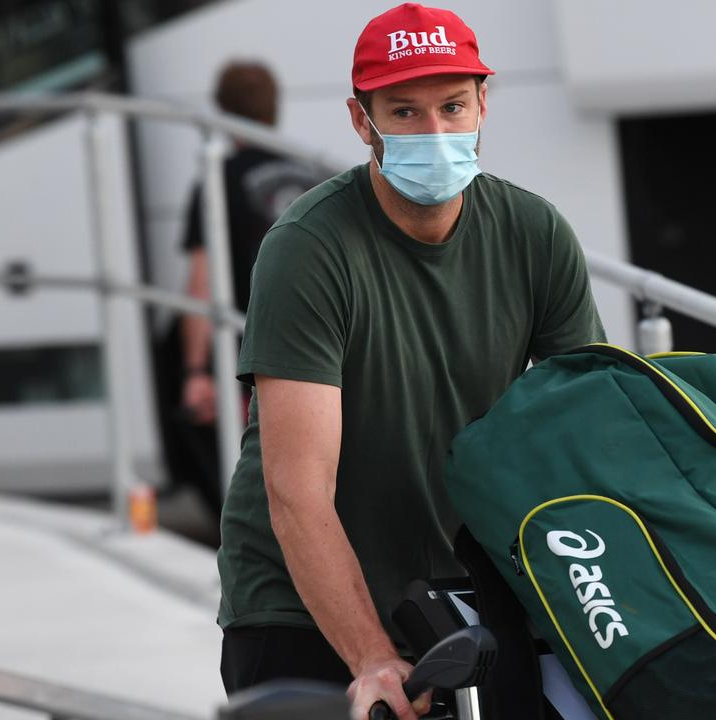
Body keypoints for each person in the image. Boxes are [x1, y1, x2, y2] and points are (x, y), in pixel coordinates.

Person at [215, 3, 605, 718]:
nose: (436, 133)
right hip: (301, 605)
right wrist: (369, 656)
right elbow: (297, 489)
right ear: (362, 122)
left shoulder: (535, 234)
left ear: (484, 103)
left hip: (458, 592)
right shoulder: (308, 248)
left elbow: (589, 438)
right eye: (405, 112)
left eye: (454, 106)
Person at [173, 60, 320, 514]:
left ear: (223, 109)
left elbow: (202, 284)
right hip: (319, 351)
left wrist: (196, 371)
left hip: (246, 354)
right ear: (272, 108)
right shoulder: (313, 175)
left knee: (245, 475)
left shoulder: (217, 177)